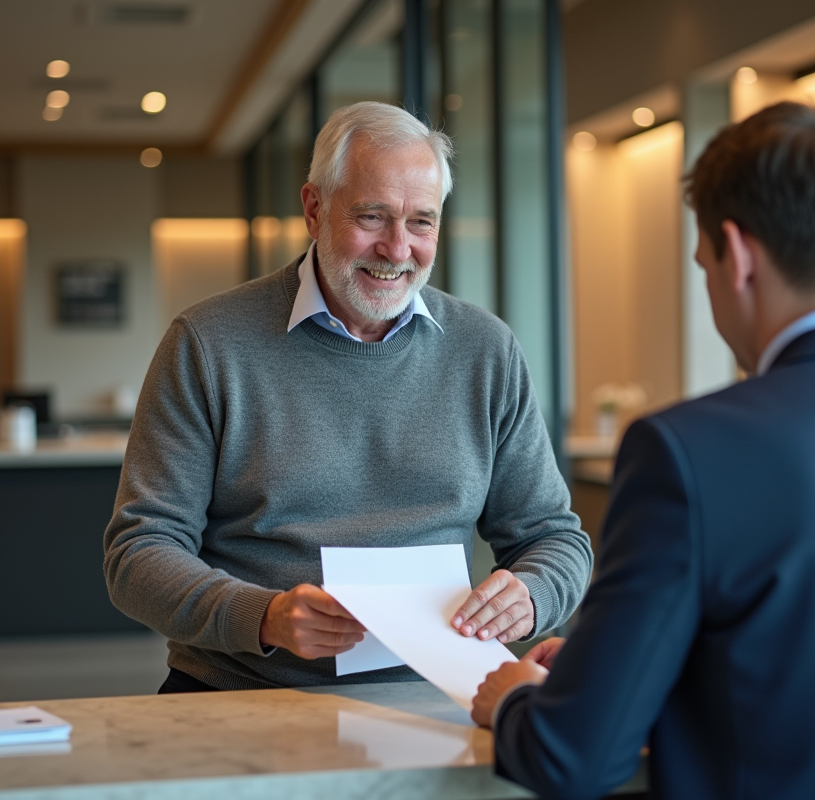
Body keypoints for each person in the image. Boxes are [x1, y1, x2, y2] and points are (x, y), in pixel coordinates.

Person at [472, 101, 815, 799]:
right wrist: (620, 665)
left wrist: (514, 698)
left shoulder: (688, 451)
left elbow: (574, 758)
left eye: (703, 265)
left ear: (740, 255)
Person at [104, 101, 593, 693]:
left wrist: (533, 595)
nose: (396, 249)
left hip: (445, 694)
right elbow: (137, 553)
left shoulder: (485, 348)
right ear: (314, 209)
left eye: (421, 221)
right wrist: (262, 617)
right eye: (372, 216)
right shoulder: (207, 344)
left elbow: (555, 538)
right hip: (245, 692)